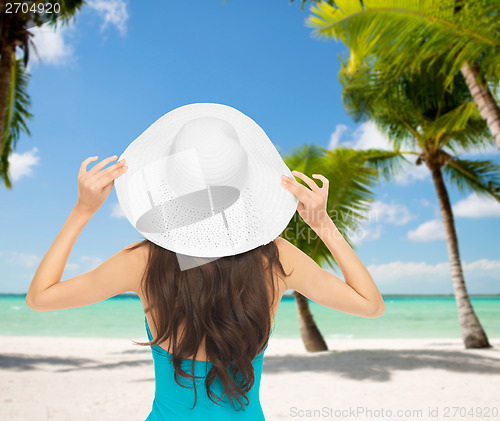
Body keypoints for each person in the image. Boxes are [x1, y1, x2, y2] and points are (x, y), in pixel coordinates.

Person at [26, 103, 385, 420]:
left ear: (171, 184)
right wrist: (323, 225)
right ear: (244, 185)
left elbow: (40, 297)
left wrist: (82, 211)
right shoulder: (276, 259)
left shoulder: (144, 262)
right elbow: (370, 305)